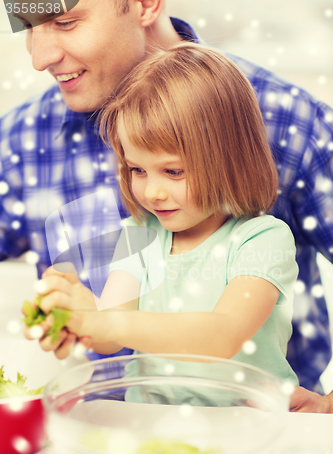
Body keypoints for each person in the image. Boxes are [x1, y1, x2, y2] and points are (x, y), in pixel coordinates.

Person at [1, 0, 333, 404]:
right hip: (136, 431)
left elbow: (221, 334)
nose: (40, 59)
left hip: (255, 433)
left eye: (66, 21)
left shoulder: (264, 229)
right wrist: (74, 314)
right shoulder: (139, 234)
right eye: (136, 170)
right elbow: (108, 326)